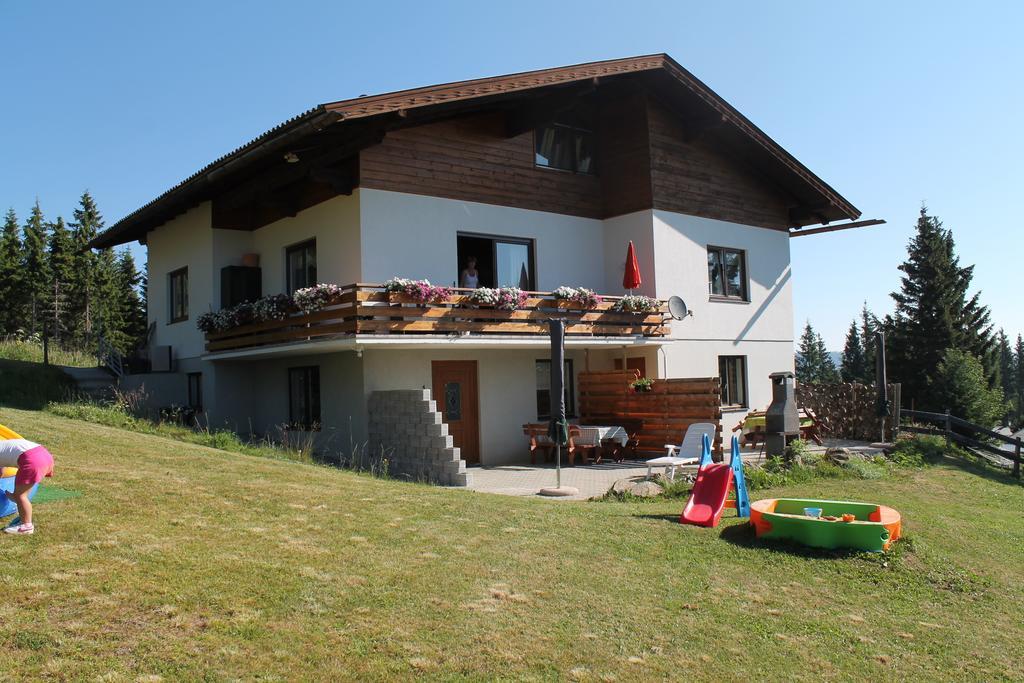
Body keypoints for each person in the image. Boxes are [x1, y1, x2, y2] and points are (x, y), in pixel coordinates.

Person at [0, 437, 55, 535]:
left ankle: (26, 526)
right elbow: (1, 470)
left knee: (21, 495)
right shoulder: (3, 445)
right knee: (19, 494)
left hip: (32, 459)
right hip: (44, 454)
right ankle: (23, 515)